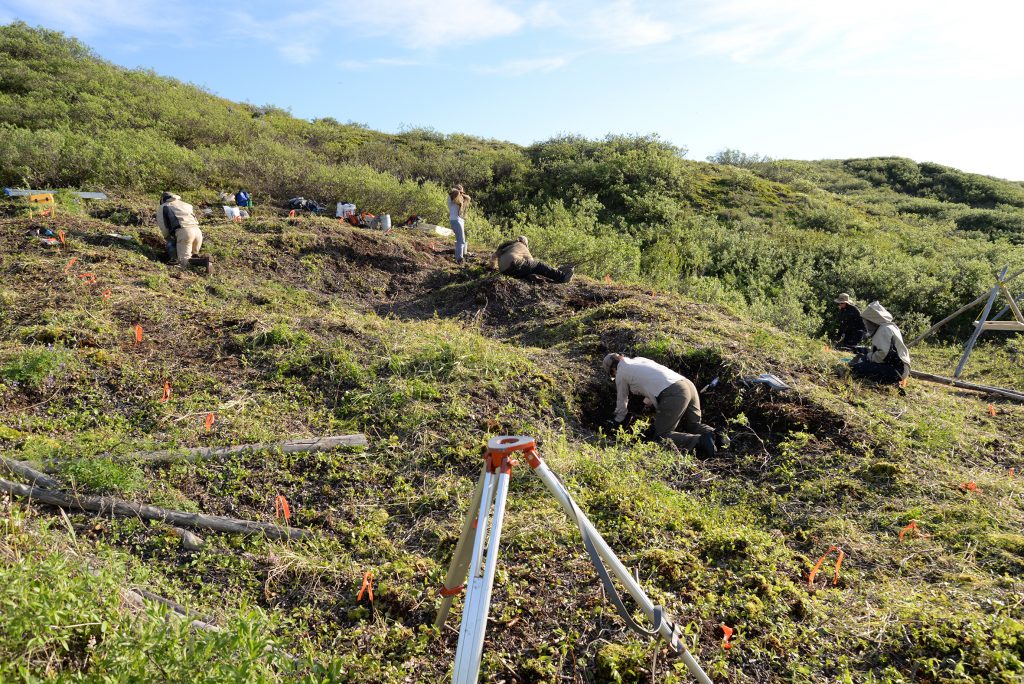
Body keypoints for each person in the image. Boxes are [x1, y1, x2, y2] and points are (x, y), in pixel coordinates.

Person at [603, 353, 727, 458]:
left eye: (612, 375)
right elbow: (653, 382)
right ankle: (721, 437)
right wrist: (645, 406)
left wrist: (617, 421)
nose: (614, 376)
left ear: (613, 369)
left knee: (661, 436)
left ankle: (699, 441)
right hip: (687, 384)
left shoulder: (621, 373)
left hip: (674, 393)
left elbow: (622, 402)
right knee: (693, 425)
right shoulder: (640, 360)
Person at [849, 301, 911, 384]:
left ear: (872, 321)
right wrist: (866, 352)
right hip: (897, 368)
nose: (866, 324)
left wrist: (867, 357)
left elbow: (882, 354)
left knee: (856, 368)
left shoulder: (884, 329)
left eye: (867, 321)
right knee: (862, 361)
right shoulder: (889, 326)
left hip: (896, 371)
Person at [156, 192, 213, 274]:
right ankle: (205, 261)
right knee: (193, 256)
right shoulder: (186, 205)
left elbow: (163, 225)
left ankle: (205, 261)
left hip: (185, 232)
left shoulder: (164, 206)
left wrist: (168, 237)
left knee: (184, 261)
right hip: (197, 231)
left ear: (162, 200)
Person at [491, 236, 573, 283]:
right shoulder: (521, 245)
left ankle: (532, 277)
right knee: (539, 265)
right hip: (514, 266)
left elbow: (493, 257)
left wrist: (492, 268)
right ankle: (563, 277)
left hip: (505, 272)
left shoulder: (507, 247)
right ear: (524, 242)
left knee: (527, 268)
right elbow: (532, 262)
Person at [448, 184, 471, 264]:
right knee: (461, 240)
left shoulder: (458, 198)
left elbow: (468, 198)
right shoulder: (452, 196)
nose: (461, 194)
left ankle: (459, 257)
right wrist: (460, 192)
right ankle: (459, 259)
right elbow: (456, 192)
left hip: (459, 220)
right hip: (456, 220)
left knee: (461, 240)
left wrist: (462, 194)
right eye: (460, 192)